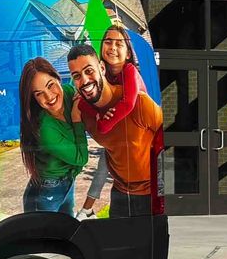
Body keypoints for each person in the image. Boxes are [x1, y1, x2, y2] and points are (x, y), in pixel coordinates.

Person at [68, 43, 161, 217]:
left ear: (102, 68)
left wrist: (164, 193)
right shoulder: (86, 115)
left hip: (150, 195)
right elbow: (108, 150)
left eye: (89, 71)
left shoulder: (139, 104)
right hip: (119, 195)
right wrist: (76, 115)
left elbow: (170, 140)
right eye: (77, 76)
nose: (85, 80)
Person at [17, 58, 92, 214]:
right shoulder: (45, 129)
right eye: (39, 94)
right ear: (34, 98)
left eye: (50, 85)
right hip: (49, 188)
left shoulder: (69, 93)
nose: (49, 96)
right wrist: (76, 118)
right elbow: (81, 158)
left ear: (58, 77)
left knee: (66, 229)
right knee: (45, 234)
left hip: (67, 181)